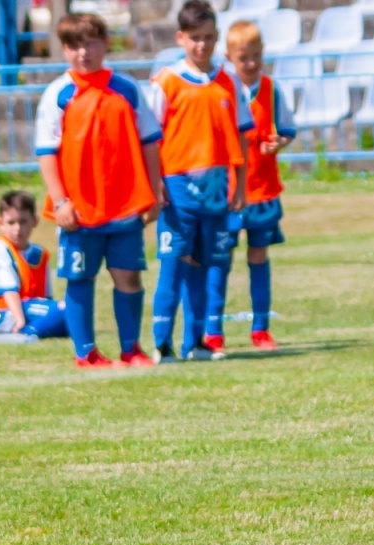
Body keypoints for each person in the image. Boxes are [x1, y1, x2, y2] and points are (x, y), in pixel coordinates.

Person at [35, 12, 162, 369]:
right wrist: (60, 201)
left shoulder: (126, 88)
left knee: (128, 275)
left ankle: (130, 348)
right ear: (63, 50)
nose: (83, 53)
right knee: (80, 276)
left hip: (125, 204)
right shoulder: (58, 94)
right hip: (79, 210)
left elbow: (150, 142)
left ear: (106, 43)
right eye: (73, 46)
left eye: (90, 43)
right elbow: (47, 152)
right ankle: (85, 352)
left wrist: (154, 192)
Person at [148, 0, 252, 361]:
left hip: (216, 187)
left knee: (206, 265)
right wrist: (155, 181)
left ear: (217, 37)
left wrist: (239, 183)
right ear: (180, 37)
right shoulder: (166, 82)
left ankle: (195, 342)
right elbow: (151, 137)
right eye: (194, 38)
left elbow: (241, 135)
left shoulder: (229, 83)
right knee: (173, 263)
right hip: (176, 187)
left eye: (208, 37)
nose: (201, 45)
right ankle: (162, 341)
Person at [204, 19, 293, 351]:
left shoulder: (271, 89)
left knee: (259, 255)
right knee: (219, 258)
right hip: (226, 193)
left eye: (257, 56)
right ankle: (212, 330)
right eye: (244, 58)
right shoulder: (220, 90)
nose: (252, 64)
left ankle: (260, 328)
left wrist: (279, 143)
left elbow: (285, 128)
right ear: (229, 57)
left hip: (263, 189)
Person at [0, 190, 69, 344]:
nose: (17, 228)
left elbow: (45, 298)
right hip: (0, 314)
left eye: (23, 222)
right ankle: (25, 333)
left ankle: (33, 331)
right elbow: (8, 290)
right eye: (11, 222)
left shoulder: (40, 254)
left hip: (29, 309)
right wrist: (19, 320)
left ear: (35, 221)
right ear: (1, 224)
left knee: (73, 314)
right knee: (66, 310)